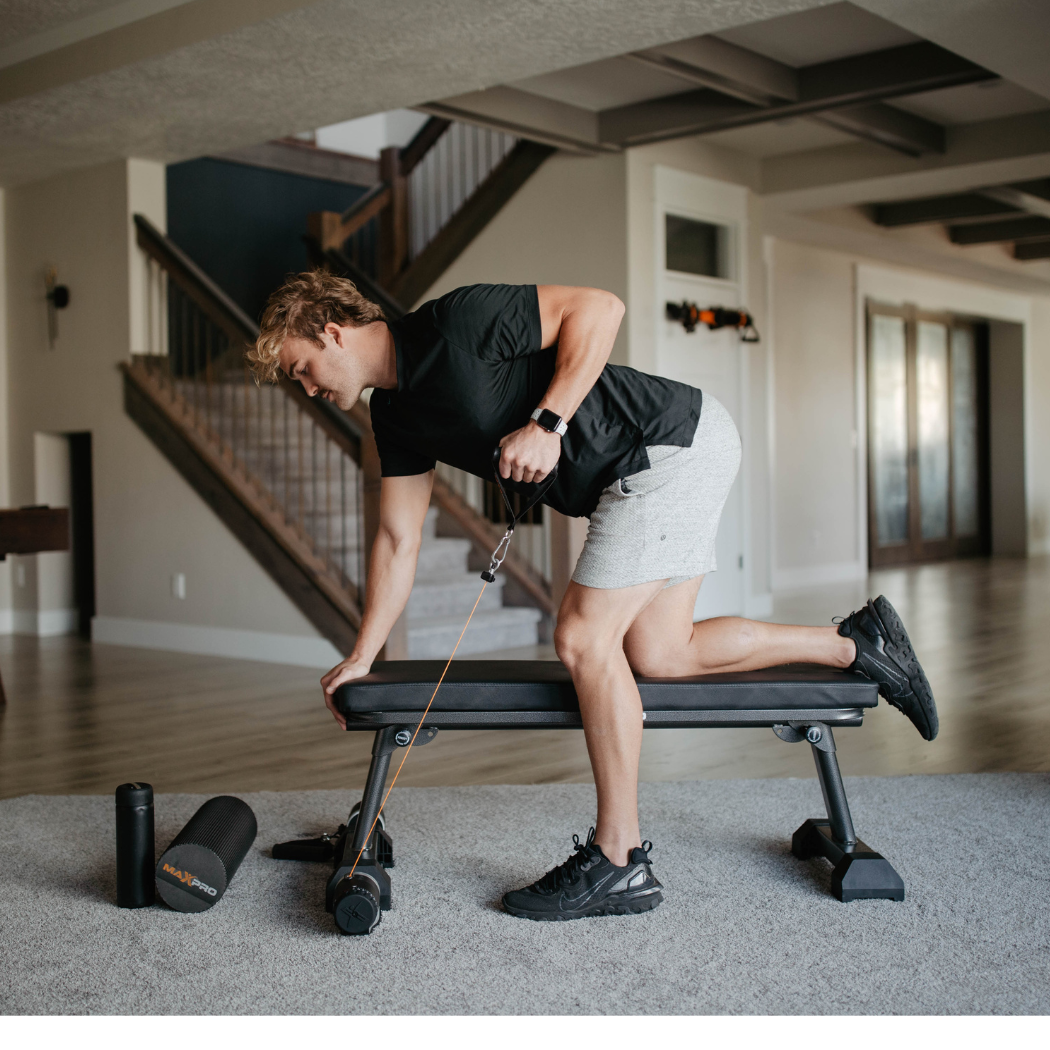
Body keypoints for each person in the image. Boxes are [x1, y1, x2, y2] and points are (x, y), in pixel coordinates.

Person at [248, 271, 938, 922]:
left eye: (300, 368)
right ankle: (855, 643)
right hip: (659, 460)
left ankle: (619, 858)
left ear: (332, 332)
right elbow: (398, 540)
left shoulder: (454, 324)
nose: (305, 388)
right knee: (661, 654)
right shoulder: (395, 416)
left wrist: (546, 424)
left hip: (667, 446)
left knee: (582, 637)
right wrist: (363, 655)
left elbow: (601, 308)